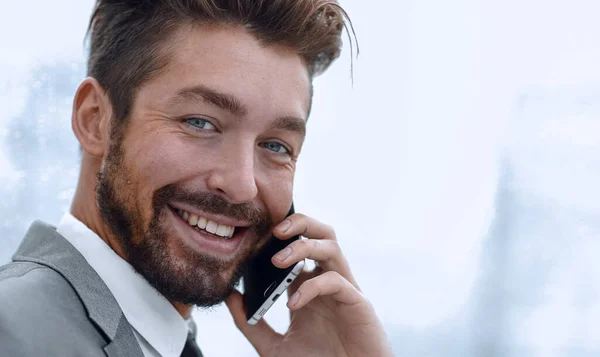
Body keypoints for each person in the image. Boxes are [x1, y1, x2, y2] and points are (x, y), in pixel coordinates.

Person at [0, 1, 394, 356]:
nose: (242, 185)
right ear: (95, 120)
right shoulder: (15, 331)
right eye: (200, 122)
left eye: (275, 146)